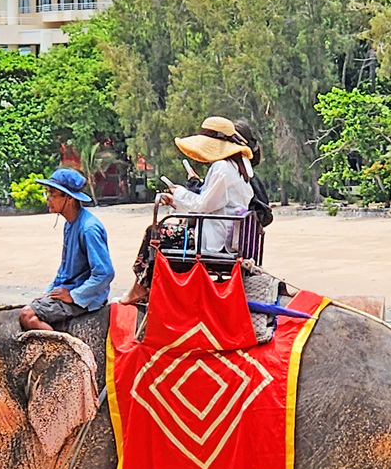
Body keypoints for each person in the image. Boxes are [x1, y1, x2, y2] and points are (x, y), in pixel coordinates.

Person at [120, 116, 255, 305]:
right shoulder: (241, 167)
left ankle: (141, 286)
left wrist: (179, 193)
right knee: (163, 231)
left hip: (214, 239)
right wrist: (176, 201)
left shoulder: (222, 168)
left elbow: (203, 206)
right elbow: (212, 204)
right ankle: (152, 286)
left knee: (154, 232)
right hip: (225, 232)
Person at [19, 168, 115, 331]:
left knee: (27, 315)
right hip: (69, 289)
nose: (48, 199)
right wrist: (49, 292)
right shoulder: (69, 224)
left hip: (87, 298)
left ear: (69, 198)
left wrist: (74, 296)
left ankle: (61, 345)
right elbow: (65, 270)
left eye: (52, 194)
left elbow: (105, 273)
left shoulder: (88, 228)